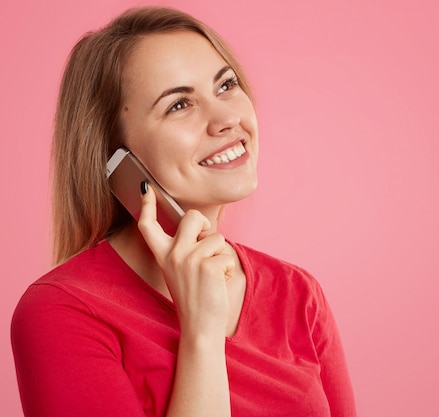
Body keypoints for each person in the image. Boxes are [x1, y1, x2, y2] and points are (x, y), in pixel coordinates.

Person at [11, 6, 356, 417]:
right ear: (115, 156)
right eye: (179, 105)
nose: (228, 119)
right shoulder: (61, 313)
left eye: (226, 85)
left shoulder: (298, 294)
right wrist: (202, 334)